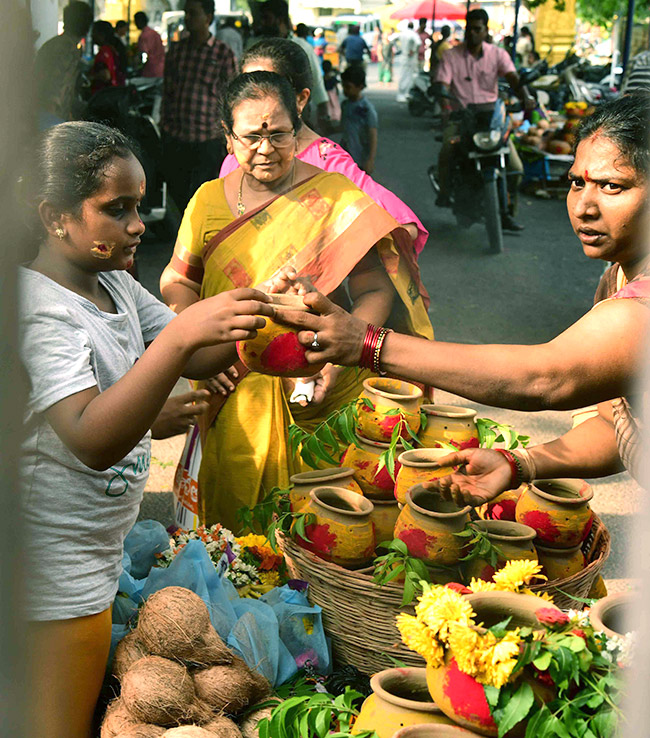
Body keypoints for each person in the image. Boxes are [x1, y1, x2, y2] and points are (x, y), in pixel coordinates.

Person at [19, 120, 273, 738]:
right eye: (118, 210)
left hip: (95, 553)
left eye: (140, 205)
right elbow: (91, 439)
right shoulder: (38, 309)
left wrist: (261, 306)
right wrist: (186, 332)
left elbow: (200, 356)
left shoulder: (115, 286)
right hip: (51, 568)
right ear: (56, 217)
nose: (138, 224)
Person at [277, 92, 650, 495]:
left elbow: (547, 377)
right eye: (577, 182)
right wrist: (519, 463)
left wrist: (365, 343)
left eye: (612, 186)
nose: (584, 206)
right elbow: (617, 426)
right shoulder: (616, 278)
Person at [159, 71, 433, 531]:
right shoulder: (207, 200)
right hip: (232, 389)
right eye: (250, 137)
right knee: (239, 526)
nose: (265, 149)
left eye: (278, 134)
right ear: (228, 138)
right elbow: (178, 280)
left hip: (318, 386)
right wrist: (201, 342)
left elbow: (374, 291)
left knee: (323, 525)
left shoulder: (335, 196)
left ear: (297, 128)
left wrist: (337, 358)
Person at [218, 38, 429, 254]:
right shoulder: (236, 158)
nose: (253, 102)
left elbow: (403, 227)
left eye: (270, 89)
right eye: (245, 88)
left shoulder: (327, 161)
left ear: (300, 99)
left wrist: (325, 260)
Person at [435, 8, 534, 231]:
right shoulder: (451, 56)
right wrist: (444, 104)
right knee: (446, 153)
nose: (472, 34)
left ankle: (507, 213)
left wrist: (526, 97)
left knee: (516, 168)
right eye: (469, 29)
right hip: (462, 120)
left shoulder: (498, 55)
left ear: (485, 30)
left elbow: (513, 77)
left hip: (491, 120)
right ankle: (443, 191)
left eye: (477, 29)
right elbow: (442, 83)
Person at [160, 0, 236, 213]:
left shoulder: (222, 53)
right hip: (177, 137)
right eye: (186, 13)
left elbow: (231, 98)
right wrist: (165, 128)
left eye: (193, 13)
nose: (187, 18)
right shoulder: (176, 51)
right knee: (178, 194)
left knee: (204, 198)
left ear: (208, 18)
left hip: (207, 141)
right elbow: (168, 92)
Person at [34, 0, 93, 127]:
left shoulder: (54, 43)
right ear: (87, 26)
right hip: (50, 117)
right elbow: (58, 85)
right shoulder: (69, 49)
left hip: (44, 113)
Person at [341, 65, 378, 174]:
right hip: (346, 155)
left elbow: (373, 135)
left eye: (348, 87)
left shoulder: (366, 109)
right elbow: (344, 126)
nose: (344, 90)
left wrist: (370, 159)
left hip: (360, 157)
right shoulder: (345, 105)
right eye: (343, 86)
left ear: (360, 87)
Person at [89, 20, 127, 95]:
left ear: (101, 34)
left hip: (103, 95)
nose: (92, 35)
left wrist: (91, 77)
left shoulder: (103, 52)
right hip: (113, 93)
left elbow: (105, 75)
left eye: (94, 32)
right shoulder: (111, 50)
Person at [395, 22, 421, 103]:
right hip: (411, 57)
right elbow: (418, 43)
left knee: (403, 75)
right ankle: (405, 92)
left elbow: (391, 39)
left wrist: (397, 48)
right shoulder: (413, 34)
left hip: (403, 55)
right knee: (409, 75)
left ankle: (402, 93)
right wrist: (413, 50)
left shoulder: (402, 34)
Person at [134, 11, 165, 78]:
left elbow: (144, 54)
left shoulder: (144, 36)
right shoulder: (155, 33)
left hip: (150, 71)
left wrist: (138, 66)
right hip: (161, 69)